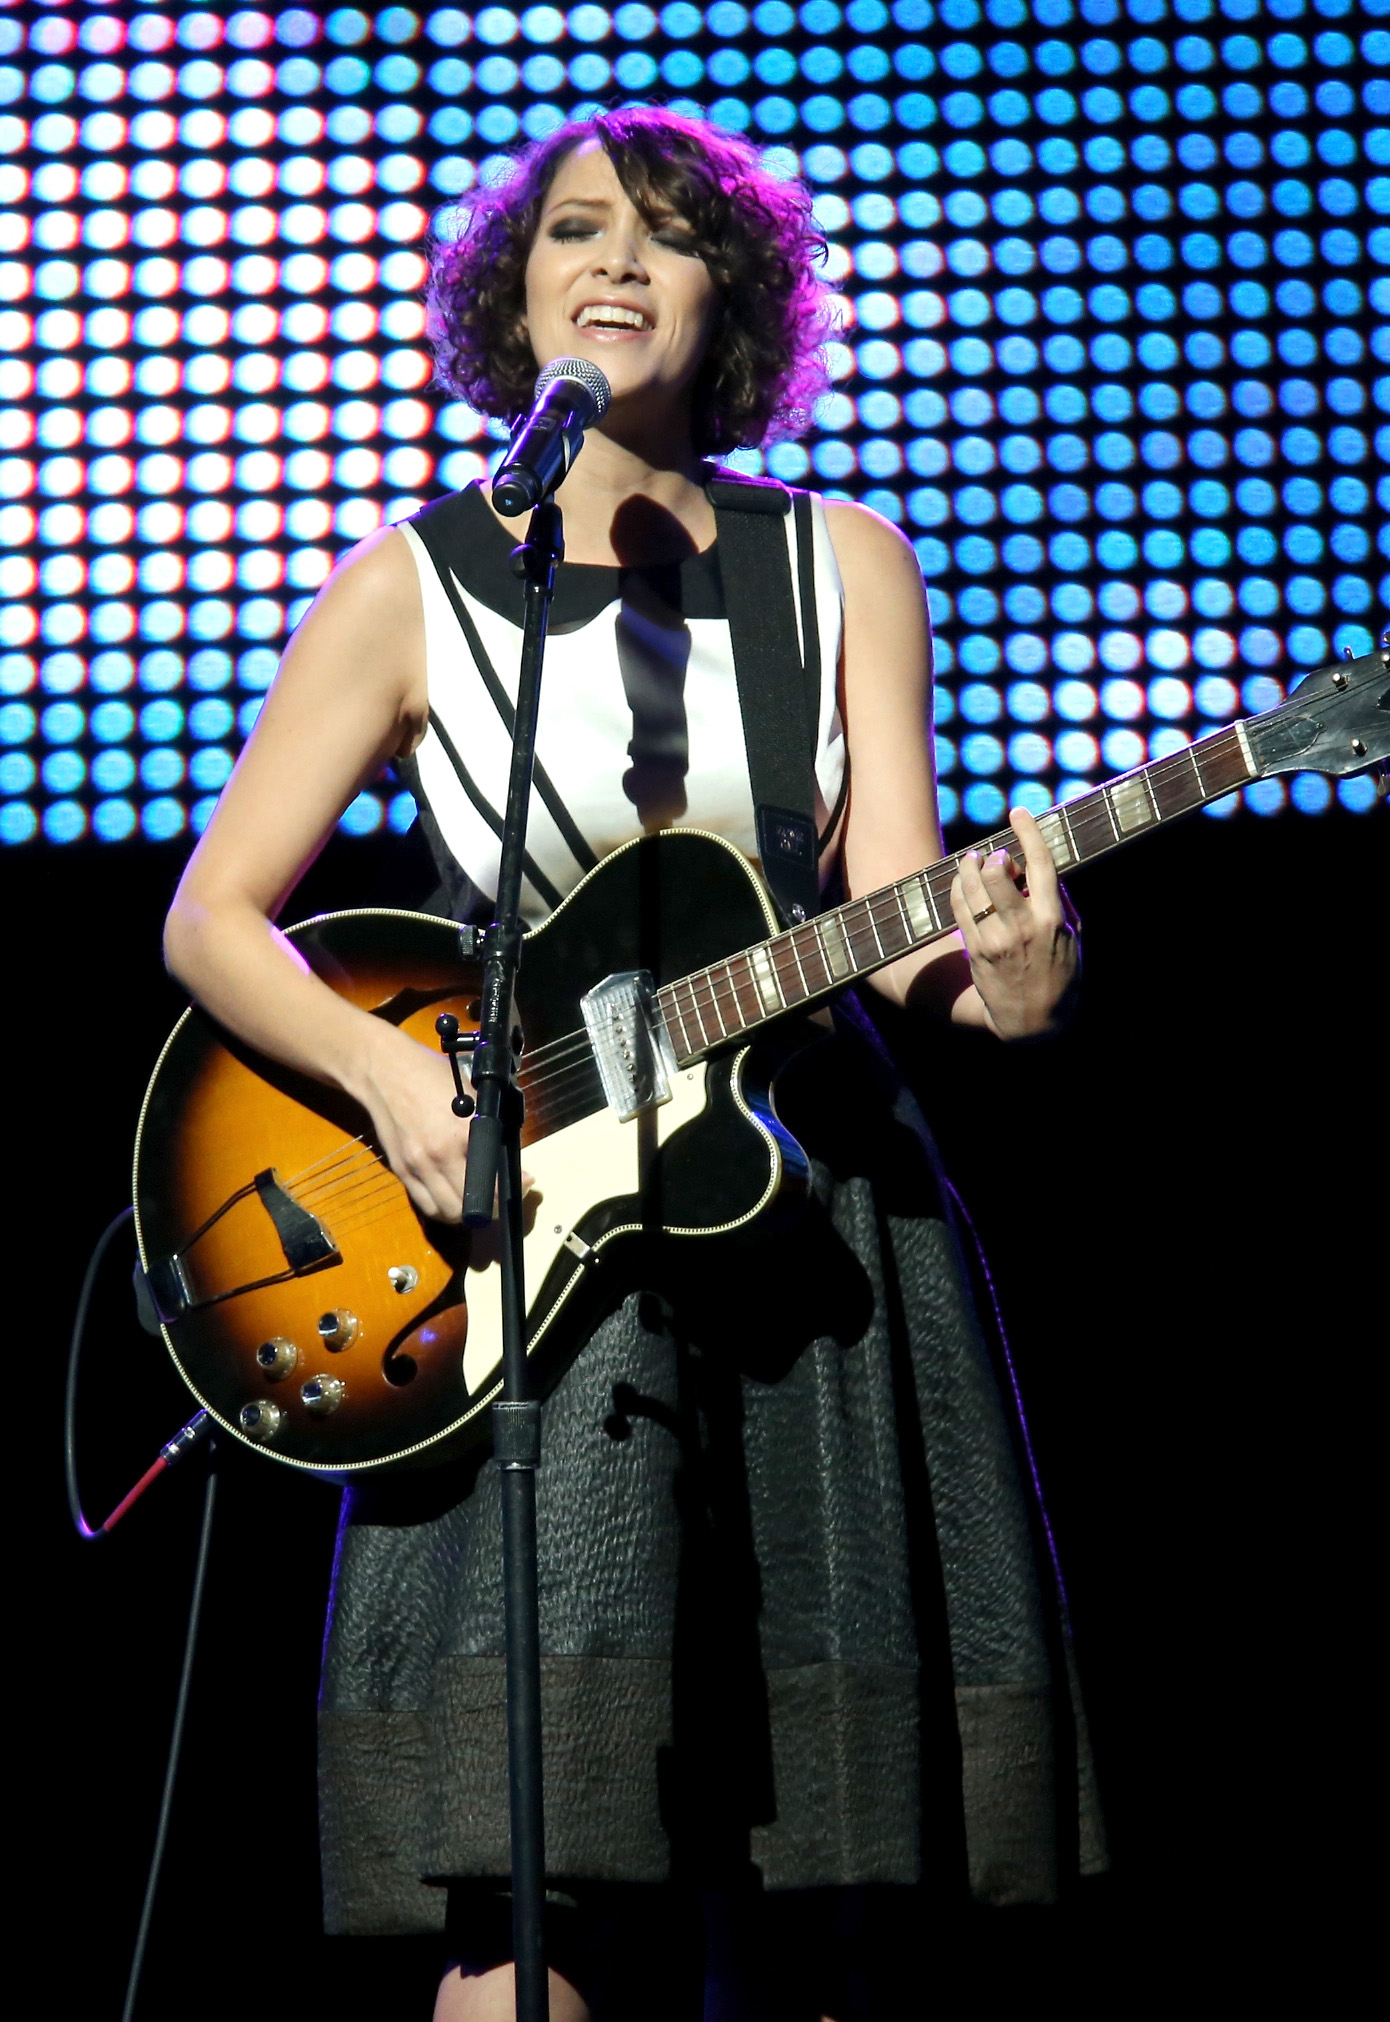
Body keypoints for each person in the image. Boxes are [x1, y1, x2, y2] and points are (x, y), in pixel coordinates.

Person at [164, 107, 1098, 2022]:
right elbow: (213, 916)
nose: (614, 261)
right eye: (575, 230)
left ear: (726, 303)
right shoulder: (413, 584)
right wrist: (391, 1078)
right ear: (513, 297)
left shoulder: (842, 565)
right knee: (535, 1878)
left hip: (812, 1238)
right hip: (522, 1262)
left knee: (849, 1868)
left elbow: (906, 916)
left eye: (666, 240)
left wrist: (1009, 982)